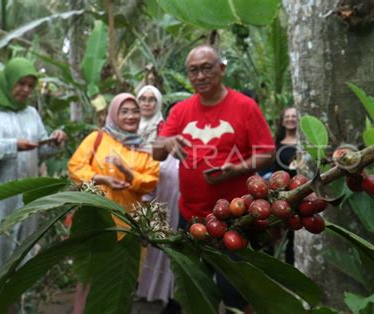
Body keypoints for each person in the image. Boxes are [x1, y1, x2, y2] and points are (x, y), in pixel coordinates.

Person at [152, 45, 275, 313]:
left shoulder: (245, 106)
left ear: (222, 68)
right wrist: (169, 140)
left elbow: (267, 152)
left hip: (237, 215)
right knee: (196, 286)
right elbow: (156, 152)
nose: (200, 76)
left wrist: (236, 168)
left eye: (207, 67)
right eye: (193, 70)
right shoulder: (181, 110)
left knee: (239, 289)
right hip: (192, 216)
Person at [68, 93, 160, 313]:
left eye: (135, 111)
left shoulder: (145, 149)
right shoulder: (97, 139)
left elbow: (150, 182)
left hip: (128, 226)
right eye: (124, 111)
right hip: (96, 221)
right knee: (89, 276)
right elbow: (75, 167)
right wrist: (100, 178)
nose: (131, 116)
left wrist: (128, 174)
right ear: (113, 113)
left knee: (121, 281)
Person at [0, 57, 67, 289]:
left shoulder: (31, 113)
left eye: (30, 85)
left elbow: (40, 150)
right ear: (7, 80)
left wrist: (55, 141)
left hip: (23, 197)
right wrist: (11, 146)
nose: (25, 90)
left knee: (13, 263)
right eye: (21, 83)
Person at [133, 85, 181, 313]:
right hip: (138, 197)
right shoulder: (128, 126)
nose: (147, 103)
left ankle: (169, 296)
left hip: (169, 200)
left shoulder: (165, 131)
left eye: (152, 99)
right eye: (143, 98)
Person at [273, 107, 298, 265]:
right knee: (288, 235)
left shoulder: (306, 143)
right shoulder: (276, 143)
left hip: (303, 191)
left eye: (294, 116)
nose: (290, 119)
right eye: (287, 116)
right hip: (283, 195)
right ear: (282, 121)